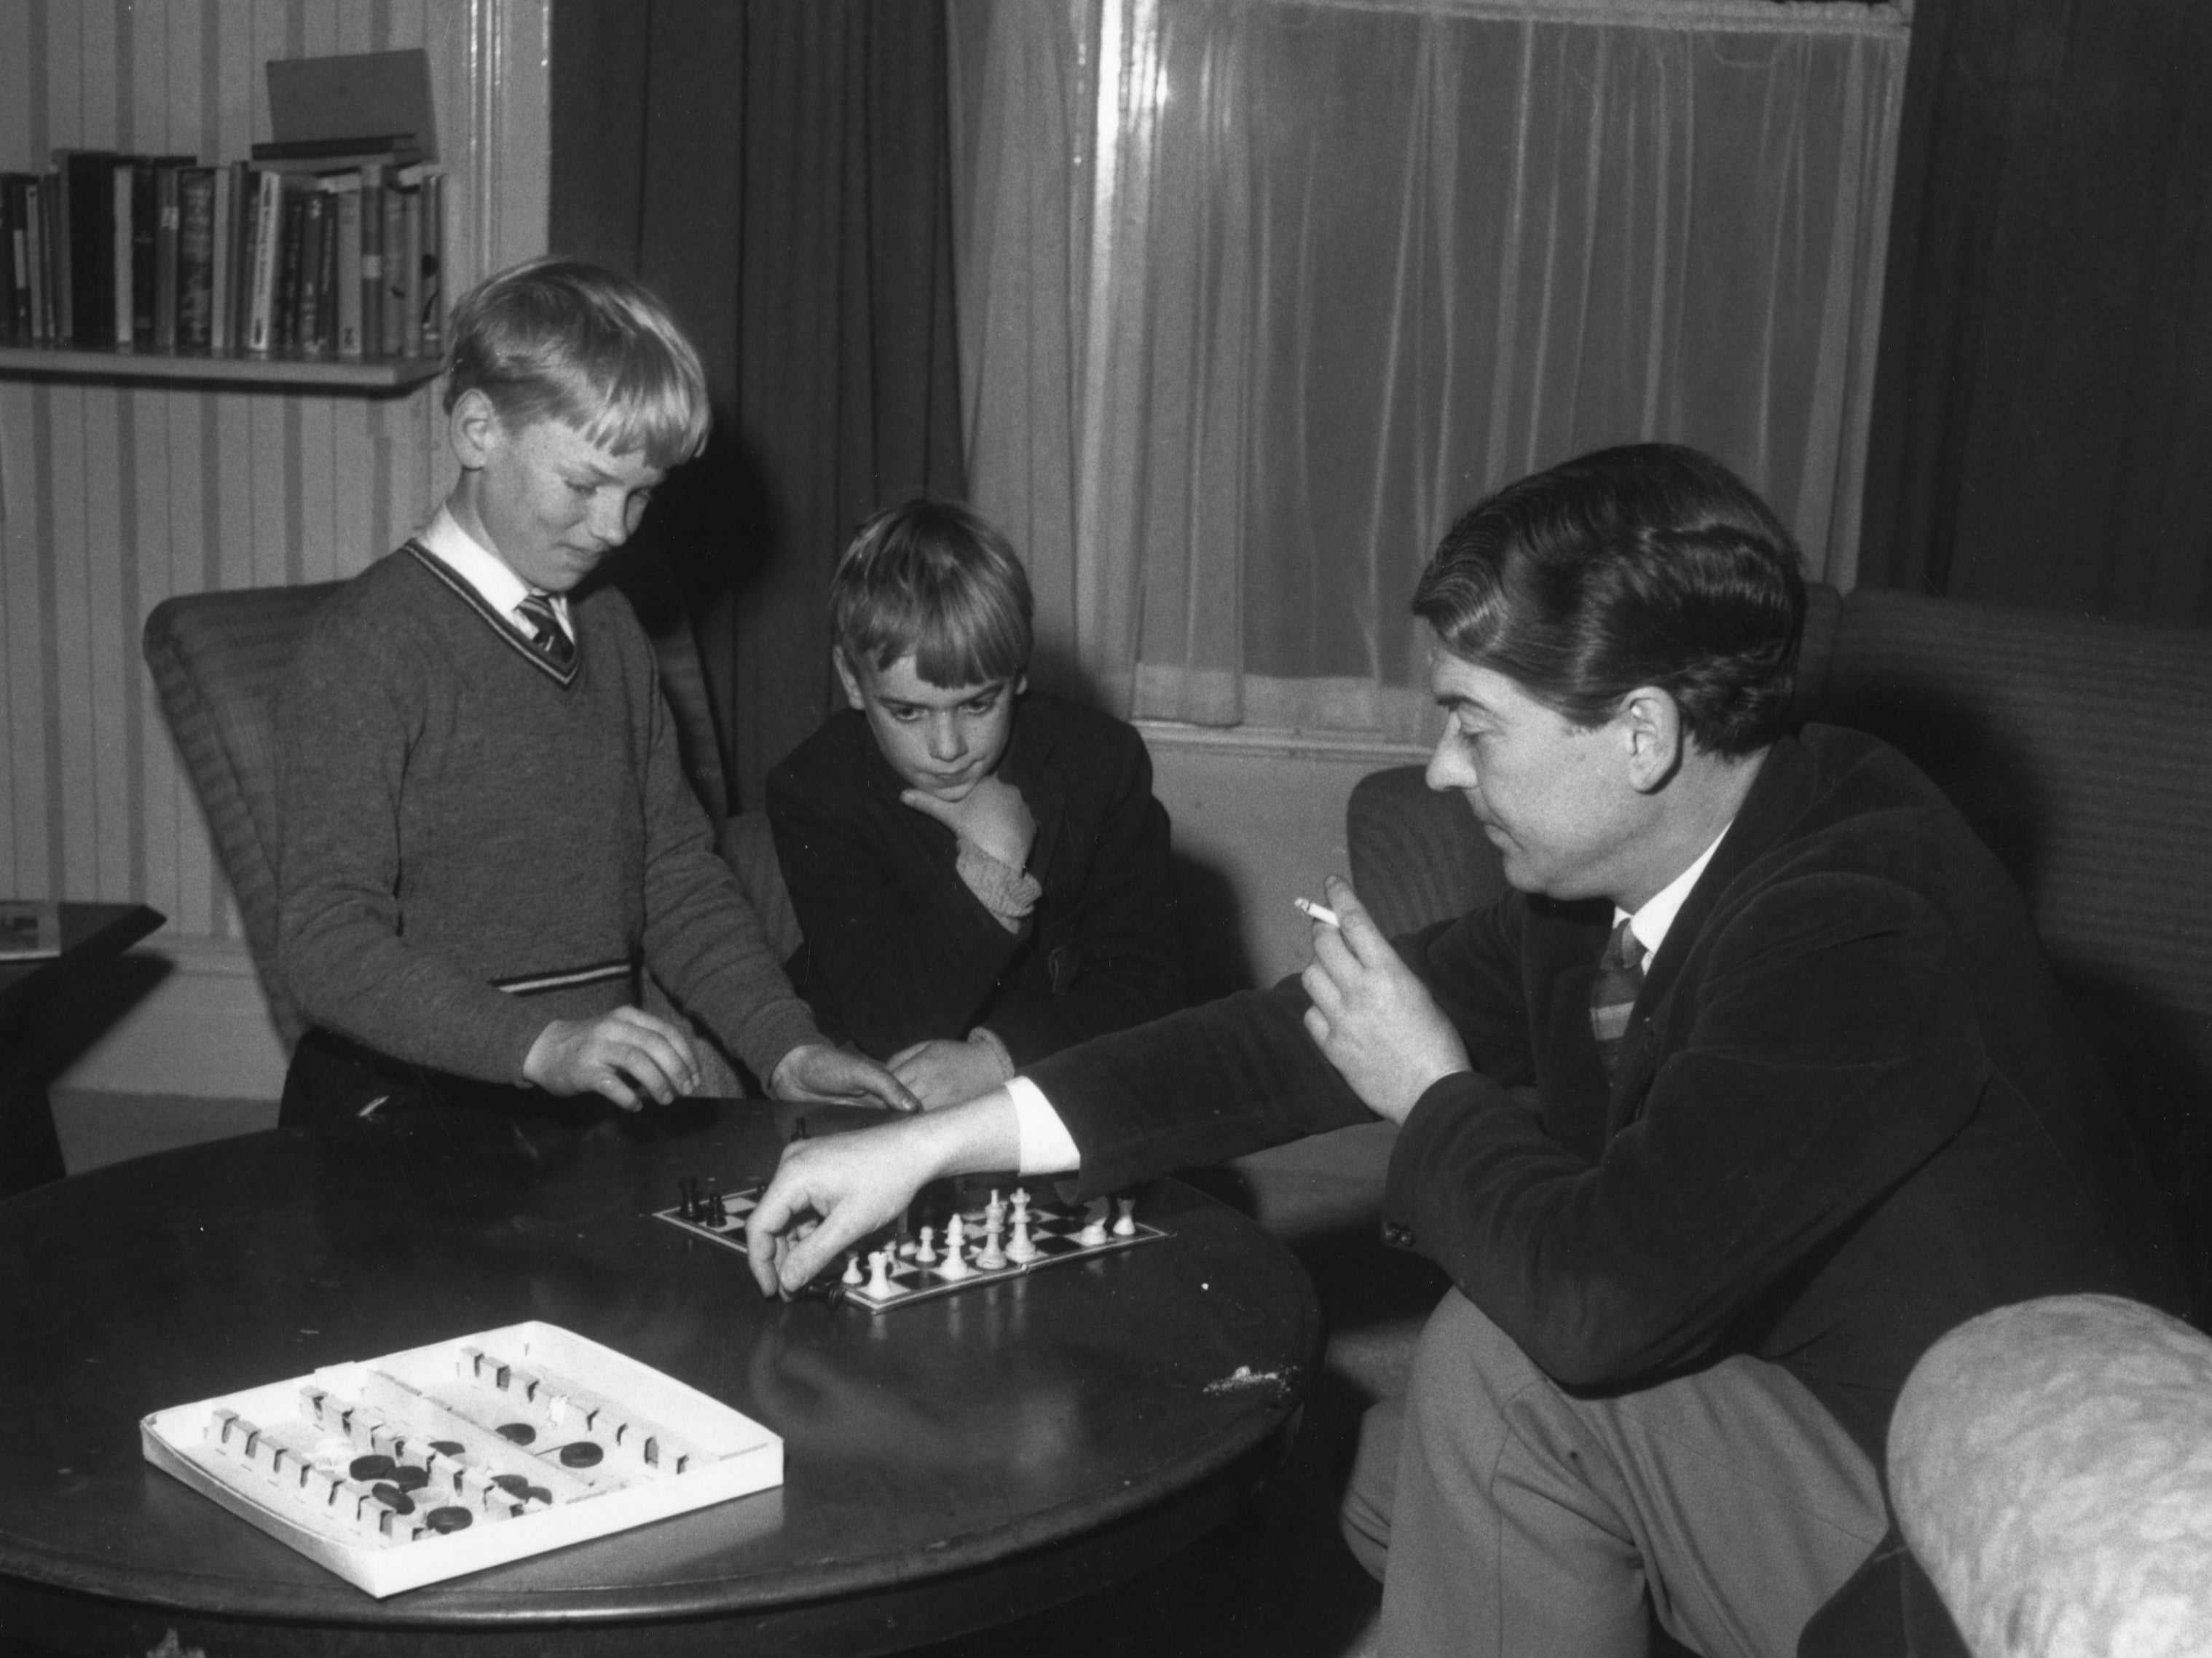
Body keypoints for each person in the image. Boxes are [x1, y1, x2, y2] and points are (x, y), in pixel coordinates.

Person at [738, 444, 2179, 1657]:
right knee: (1361, 1478)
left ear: (1642, 734)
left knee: (1503, 1375)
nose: (1437, 770)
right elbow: (1278, 1044)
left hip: (1961, 1536)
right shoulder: (1623, 870)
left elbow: (1598, 1304)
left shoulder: (1859, 920)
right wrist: (942, 1137)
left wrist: (1428, 1091)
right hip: (1790, 1393)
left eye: (1474, 729)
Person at [275, 256, 915, 1131]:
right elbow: (324, 944)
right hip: (410, 1106)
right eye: (583, 485)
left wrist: (784, 1049)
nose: (615, 529)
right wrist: (542, 1046)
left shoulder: (611, 631)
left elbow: (675, 879)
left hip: (576, 1104)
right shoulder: (369, 646)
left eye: (642, 495)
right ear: (477, 432)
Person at [765, 498, 1184, 1109]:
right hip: (879, 1089)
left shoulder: (1102, 762)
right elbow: (889, 1022)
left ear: (1017, 674)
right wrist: (990, 871)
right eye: (906, 711)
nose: (948, 748)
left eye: (977, 704)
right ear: (853, 682)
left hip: (1051, 1082)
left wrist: (998, 1060)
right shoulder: (814, 788)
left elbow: (1152, 986)